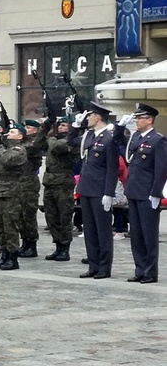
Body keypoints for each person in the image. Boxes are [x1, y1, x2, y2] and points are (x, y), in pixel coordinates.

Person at [114, 103, 167, 284]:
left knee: (148, 235)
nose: (136, 121)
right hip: (133, 191)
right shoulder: (135, 137)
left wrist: (156, 193)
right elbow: (117, 142)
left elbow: (161, 169)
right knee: (136, 234)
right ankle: (140, 269)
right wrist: (120, 127)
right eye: (136, 118)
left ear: (149, 120)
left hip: (147, 193)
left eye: (139, 118)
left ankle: (150, 272)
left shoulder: (158, 140)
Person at [67, 102, 119, 279]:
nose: (87, 119)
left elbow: (112, 169)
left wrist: (109, 193)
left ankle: (104, 267)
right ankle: (93, 265)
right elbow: (71, 142)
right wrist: (75, 126)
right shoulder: (89, 135)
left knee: (102, 230)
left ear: (97, 117)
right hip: (86, 188)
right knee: (89, 230)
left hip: (100, 190)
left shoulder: (109, 138)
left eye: (89, 116)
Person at [33, 116, 79, 262]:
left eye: (65, 125)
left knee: (64, 217)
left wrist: (50, 136)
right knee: (51, 217)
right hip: (50, 183)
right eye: (59, 125)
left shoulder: (72, 141)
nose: (61, 128)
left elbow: (57, 147)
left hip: (63, 184)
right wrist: (45, 127)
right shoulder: (54, 138)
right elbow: (37, 143)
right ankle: (57, 245)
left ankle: (65, 248)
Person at [0, 124, 28, 271]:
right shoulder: (4, 148)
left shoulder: (19, 150)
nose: (8, 134)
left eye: (12, 132)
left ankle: (12, 257)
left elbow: (7, 160)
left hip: (10, 191)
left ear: (20, 136)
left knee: (10, 226)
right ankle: (4, 254)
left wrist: (0, 146)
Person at [18, 119, 43, 258]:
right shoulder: (22, 143)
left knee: (28, 215)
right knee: (20, 216)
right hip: (19, 182)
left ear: (35, 130)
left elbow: (33, 148)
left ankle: (32, 245)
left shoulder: (34, 144)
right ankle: (25, 242)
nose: (25, 129)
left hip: (29, 182)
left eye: (28, 127)